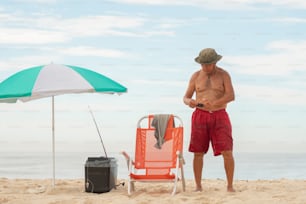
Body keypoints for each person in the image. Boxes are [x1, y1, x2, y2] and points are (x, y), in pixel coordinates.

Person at [183, 48, 235, 192]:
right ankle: (198, 186)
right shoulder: (195, 76)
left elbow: (231, 96)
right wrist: (190, 102)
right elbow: (185, 97)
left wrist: (216, 103)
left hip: (220, 114)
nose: (205, 67)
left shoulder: (224, 75)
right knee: (198, 152)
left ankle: (230, 186)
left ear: (215, 62)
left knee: (227, 151)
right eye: (203, 64)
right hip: (200, 115)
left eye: (208, 64)